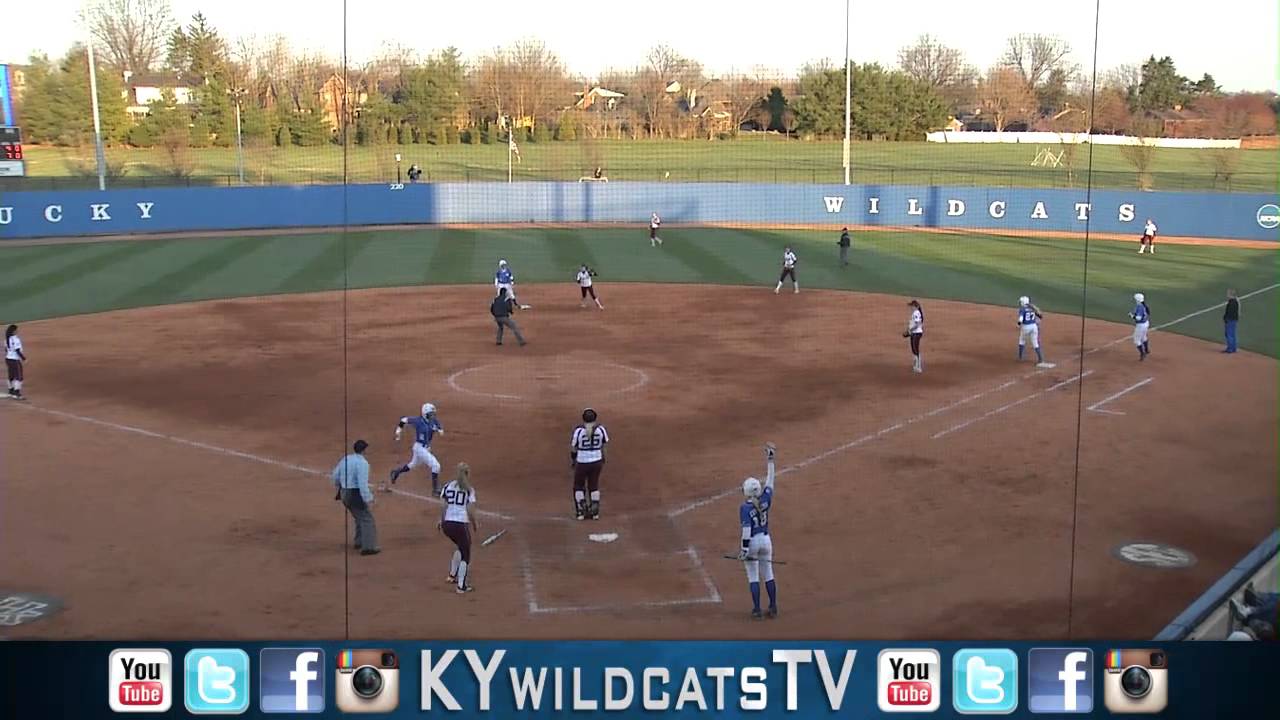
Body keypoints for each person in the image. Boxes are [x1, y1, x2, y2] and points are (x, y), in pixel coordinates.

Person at [738, 443, 778, 619]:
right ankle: (773, 606)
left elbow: (746, 531)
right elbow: (770, 481)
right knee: (768, 574)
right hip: (766, 540)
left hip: (753, 542)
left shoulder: (745, 508)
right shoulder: (765, 500)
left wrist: (744, 550)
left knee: (753, 576)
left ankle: (756, 609)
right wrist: (770, 460)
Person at [332, 440, 379, 556]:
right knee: (367, 519)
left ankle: (359, 541)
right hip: (354, 493)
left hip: (344, 493)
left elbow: (335, 476)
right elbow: (362, 484)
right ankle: (368, 547)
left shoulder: (346, 459)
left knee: (359, 516)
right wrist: (369, 498)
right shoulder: (363, 463)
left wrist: (341, 486)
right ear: (364, 450)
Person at [438, 463, 480, 594]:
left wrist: (441, 520)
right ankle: (461, 587)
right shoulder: (469, 490)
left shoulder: (447, 486)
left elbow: (443, 506)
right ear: (467, 474)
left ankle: (452, 575)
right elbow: (470, 510)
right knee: (466, 555)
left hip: (447, 525)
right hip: (460, 525)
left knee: (460, 547)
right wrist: (475, 523)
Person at [389, 403, 445, 492]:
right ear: (425, 414)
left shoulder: (433, 421)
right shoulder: (418, 421)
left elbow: (439, 426)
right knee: (436, 466)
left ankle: (396, 472)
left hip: (426, 448)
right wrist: (398, 431)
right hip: (419, 448)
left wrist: (440, 430)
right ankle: (435, 489)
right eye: (430, 414)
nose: (432, 416)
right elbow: (403, 420)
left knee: (413, 464)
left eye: (433, 414)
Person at [570, 408, 609, 520]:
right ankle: (595, 512)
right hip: (597, 460)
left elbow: (573, 448)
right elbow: (604, 446)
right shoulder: (601, 429)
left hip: (582, 461)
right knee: (593, 485)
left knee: (578, 485)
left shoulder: (579, 431)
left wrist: (573, 460)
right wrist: (603, 458)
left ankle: (581, 511)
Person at [1016, 296, 1047, 365]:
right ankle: (1040, 359)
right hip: (1034, 326)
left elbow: (1021, 319)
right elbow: (1040, 316)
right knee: (1035, 342)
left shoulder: (1022, 309)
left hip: (1026, 327)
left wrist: (1018, 324)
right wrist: (1037, 322)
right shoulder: (1032, 308)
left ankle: (1020, 357)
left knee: (1022, 340)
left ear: (1023, 302)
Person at [5, 324, 26, 400]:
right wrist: (24, 359)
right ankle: (17, 393)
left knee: (11, 375)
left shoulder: (7, 339)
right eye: (16, 330)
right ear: (13, 331)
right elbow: (17, 350)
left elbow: (6, 350)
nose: (17, 331)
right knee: (19, 377)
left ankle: (10, 390)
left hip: (8, 359)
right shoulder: (16, 339)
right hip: (15, 360)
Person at [904, 299, 925, 373]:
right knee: (913, 349)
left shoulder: (916, 313)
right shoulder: (915, 313)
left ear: (915, 306)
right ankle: (916, 365)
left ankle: (918, 367)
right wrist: (909, 330)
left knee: (915, 349)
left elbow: (917, 324)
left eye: (912, 306)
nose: (911, 307)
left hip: (917, 333)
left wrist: (910, 330)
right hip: (914, 333)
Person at [1129, 292, 1151, 361]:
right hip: (1146, 323)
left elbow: (1139, 318)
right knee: (1143, 337)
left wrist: (1132, 316)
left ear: (1137, 300)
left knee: (1136, 340)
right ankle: (1146, 350)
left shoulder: (1140, 307)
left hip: (1141, 325)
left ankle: (1142, 353)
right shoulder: (1144, 306)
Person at [1223, 288, 1239, 353]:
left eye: (1228, 293)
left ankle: (1230, 348)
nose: (1227, 295)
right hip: (1234, 319)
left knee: (1229, 334)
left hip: (1230, 320)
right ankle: (1234, 348)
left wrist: (1226, 318)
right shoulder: (1235, 301)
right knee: (1233, 334)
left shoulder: (1231, 302)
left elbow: (1229, 312)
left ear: (1230, 294)